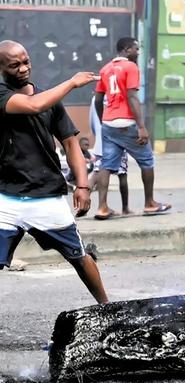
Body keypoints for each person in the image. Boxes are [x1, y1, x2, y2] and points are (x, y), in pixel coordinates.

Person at [0, 40, 108, 304]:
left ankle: (108, 307)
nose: (23, 68)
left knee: (79, 257)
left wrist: (83, 185)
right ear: (1, 68)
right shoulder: (3, 95)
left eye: (26, 61)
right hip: (6, 198)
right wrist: (71, 83)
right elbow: (33, 105)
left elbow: (71, 143)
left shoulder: (50, 99)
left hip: (46, 196)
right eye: (14, 65)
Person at [94, 37, 171, 220]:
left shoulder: (105, 69)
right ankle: (150, 203)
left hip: (109, 123)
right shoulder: (131, 67)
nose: (138, 52)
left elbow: (98, 99)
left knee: (106, 165)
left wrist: (103, 120)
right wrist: (141, 126)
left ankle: (102, 207)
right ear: (127, 50)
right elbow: (131, 97)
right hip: (127, 123)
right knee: (147, 160)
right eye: (136, 49)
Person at [87, 92, 131, 215]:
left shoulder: (96, 98)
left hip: (101, 142)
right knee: (122, 174)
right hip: (118, 141)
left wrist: (98, 137)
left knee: (96, 174)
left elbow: (91, 121)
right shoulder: (121, 95)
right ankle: (125, 208)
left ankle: (83, 206)